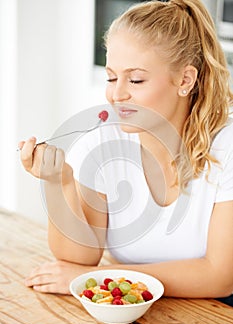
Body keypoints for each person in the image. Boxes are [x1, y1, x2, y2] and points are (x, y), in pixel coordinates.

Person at [19, 0, 233, 303]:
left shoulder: (227, 147)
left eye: (135, 79)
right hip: (134, 309)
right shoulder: (102, 145)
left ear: (185, 80)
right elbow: (80, 259)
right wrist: (58, 182)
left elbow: (220, 276)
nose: (116, 94)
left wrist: (106, 279)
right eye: (111, 77)